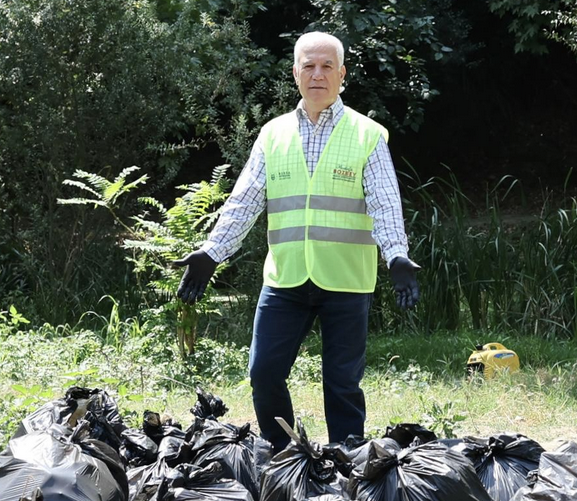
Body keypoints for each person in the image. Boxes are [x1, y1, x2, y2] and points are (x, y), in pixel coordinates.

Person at [173, 31, 420, 451]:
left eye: (327, 67)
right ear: (295, 73)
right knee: (264, 373)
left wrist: (396, 254)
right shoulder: (273, 135)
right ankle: (285, 455)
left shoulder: (368, 135)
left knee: (342, 384)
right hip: (285, 281)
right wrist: (212, 252)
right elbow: (243, 202)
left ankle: (346, 464)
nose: (317, 74)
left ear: (342, 74)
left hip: (345, 281)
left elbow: (384, 204)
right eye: (309, 66)